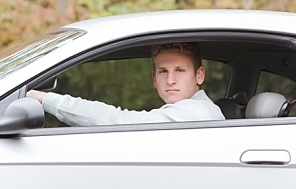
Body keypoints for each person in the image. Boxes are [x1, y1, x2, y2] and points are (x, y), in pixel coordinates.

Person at [26, 42, 226, 126]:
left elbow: (119, 121)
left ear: (199, 76)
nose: (170, 80)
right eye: (163, 71)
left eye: (180, 71)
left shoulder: (197, 113)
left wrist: (42, 98)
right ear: (154, 79)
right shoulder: (190, 113)